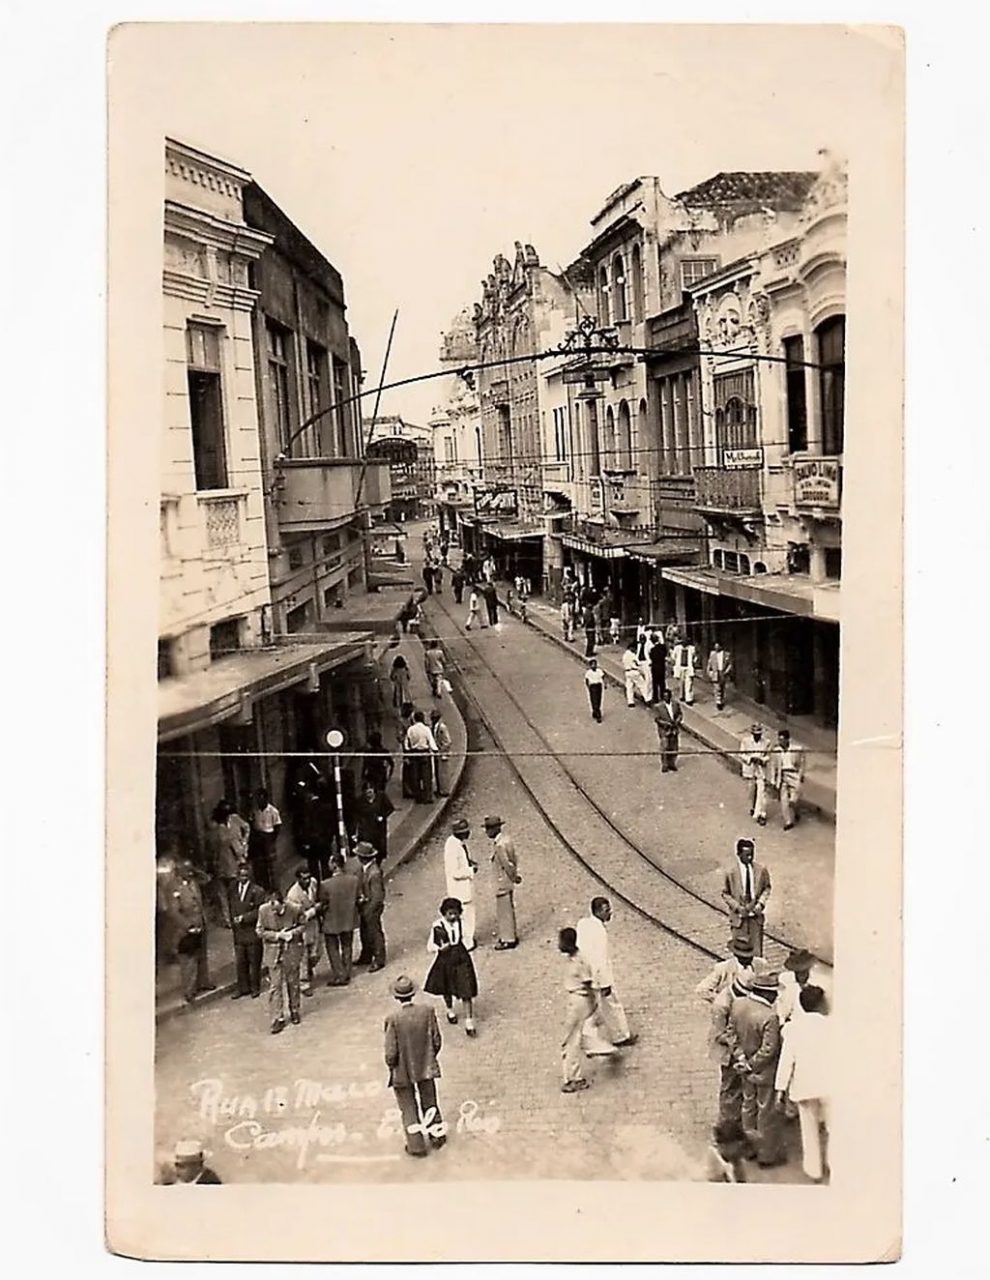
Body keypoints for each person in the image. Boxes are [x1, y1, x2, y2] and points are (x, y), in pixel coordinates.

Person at [728, 969, 785, 1167]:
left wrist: (741, 1059)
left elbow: (731, 1035)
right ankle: (767, 1155)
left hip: (744, 1068)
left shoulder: (738, 1004)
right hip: (763, 1073)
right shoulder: (770, 1016)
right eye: (774, 992)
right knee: (766, 1112)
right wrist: (752, 1065)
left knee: (748, 1107)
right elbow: (769, 1050)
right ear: (766, 993)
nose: (776, 995)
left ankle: (748, 1148)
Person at [384, 974, 445, 1157]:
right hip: (425, 1065)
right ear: (413, 994)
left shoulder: (393, 1019)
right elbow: (436, 1040)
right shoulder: (427, 1011)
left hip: (402, 1069)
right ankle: (437, 1135)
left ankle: (416, 1145)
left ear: (397, 997)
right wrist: (429, 1056)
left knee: (408, 1107)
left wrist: (392, 1065)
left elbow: (390, 1052)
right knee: (430, 1100)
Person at [774, 985, 831, 1181]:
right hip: (829, 1085)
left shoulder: (792, 1029)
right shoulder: (831, 1025)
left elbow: (786, 1061)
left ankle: (814, 1169)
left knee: (809, 1129)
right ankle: (834, 1162)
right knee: (833, 1126)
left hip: (804, 1086)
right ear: (821, 1005)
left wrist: (780, 1090)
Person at [576, 897, 638, 1048]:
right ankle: (620, 1036)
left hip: (584, 974)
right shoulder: (600, 932)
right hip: (597, 976)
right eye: (606, 910)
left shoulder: (583, 924)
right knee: (611, 1005)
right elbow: (600, 959)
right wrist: (605, 983)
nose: (610, 913)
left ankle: (591, 1039)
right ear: (598, 912)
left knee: (591, 1008)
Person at [425, 897, 479, 1036]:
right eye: (450, 914)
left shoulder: (461, 923)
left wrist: (466, 947)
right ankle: (449, 1009)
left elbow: (467, 939)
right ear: (444, 913)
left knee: (466, 987)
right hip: (445, 958)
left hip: (460, 956)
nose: (453, 916)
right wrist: (439, 948)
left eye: (456, 913)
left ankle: (469, 1021)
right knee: (446, 986)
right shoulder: (438, 925)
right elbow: (430, 945)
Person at [706, 973, 754, 1129]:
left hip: (736, 1046)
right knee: (729, 1087)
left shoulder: (737, 997)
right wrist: (739, 1052)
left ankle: (735, 1119)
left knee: (738, 1086)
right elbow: (721, 1034)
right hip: (726, 1051)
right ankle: (725, 1124)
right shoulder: (721, 1005)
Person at [256, 886, 305, 1034]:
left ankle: (294, 1009)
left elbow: (303, 925)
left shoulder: (295, 909)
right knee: (275, 986)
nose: (273, 909)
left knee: (293, 983)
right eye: (271, 905)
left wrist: (291, 933)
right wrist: (277, 936)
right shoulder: (263, 910)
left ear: (282, 903)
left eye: (275, 906)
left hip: (291, 951)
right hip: (273, 953)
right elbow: (259, 931)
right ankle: (277, 1018)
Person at [558, 926, 596, 1094]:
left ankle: (574, 1079)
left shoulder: (580, 961)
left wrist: (594, 1003)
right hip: (576, 1000)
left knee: (571, 1040)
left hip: (578, 1001)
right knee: (574, 1037)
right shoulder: (573, 958)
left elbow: (588, 984)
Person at [172, 860, 215, 1004]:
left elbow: (207, 879)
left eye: (191, 870)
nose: (190, 873)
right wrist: (188, 926)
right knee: (189, 961)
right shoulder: (174, 887)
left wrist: (197, 871)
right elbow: (174, 912)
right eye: (187, 870)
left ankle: (204, 982)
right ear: (179, 871)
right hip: (186, 929)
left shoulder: (193, 881)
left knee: (202, 955)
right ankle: (189, 990)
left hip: (200, 923)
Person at [721, 837, 772, 957]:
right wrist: (738, 907)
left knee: (756, 954)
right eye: (746, 855)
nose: (750, 858)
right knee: (741, 953)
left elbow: (767, 887)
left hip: (755, 919)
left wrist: (761, 904)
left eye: (751, 854)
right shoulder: (731, 872)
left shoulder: (761, 870)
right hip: (739, 920)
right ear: (738, 854)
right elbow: (725, 893)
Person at [318, 854, 361, 986]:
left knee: (332, 948)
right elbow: (358, 897)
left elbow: (323, 903)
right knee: (347, 945)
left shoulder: (325, 885)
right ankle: (346, 971)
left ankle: (339, 974)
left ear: (335, 865)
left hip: (332, 920)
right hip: (348, 918)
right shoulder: (353, 880)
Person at [228, 864, 266, 1000]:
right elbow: (231, 906)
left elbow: (259, 911)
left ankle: (255, 987)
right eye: (240, 875)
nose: (242, 878)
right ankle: (242, 988)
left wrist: (244, 918)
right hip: (239, 932)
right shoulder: (232, 889)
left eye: (245, 876)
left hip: (252, 931)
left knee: (254, 961)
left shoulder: (258, 891)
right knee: (241, 961)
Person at [484, 814, 521, 950]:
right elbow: (514, 858)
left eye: (488, 829)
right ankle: (510, 935)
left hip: (502, 883)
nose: (487, 832)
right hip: (507, 882)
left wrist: (513, 876)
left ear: (495, 829)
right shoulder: (507, 840)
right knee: (508, 909)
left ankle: (508, 939)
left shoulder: (499, 845)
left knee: (504, 912)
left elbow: (506, 864)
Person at [695, 935, 768, 1003]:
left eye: (750, 956)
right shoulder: (723, 968)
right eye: (744, 957)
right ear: (736, 955)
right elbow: (701, 989)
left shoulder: (760, 964)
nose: (748, 959)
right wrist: (722, 1000)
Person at [286, 866, 322, 996]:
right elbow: (298, 916)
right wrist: (314, 910)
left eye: (308, 877)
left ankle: (309, 969)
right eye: (304, 879)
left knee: (317, 952)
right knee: (303, 955)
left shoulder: (314, 883)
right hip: (302, 927)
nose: (307, 881)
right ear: (298, 879)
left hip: (314, 924)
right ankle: (303, 983)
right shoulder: (292, 895)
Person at [443, 818, 477, 949]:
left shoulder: (457, 843)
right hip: (460, 890)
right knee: (466, 918)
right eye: (466, 831)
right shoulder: (453, 846)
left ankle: (467, 940)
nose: (468, 834)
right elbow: (455, 872)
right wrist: (470, 870)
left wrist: (469, 862)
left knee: (466, 917)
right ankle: (467, 943)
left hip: (462, 889)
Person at [355, 841, 387, 972]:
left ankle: (379, 959)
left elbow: (377, 896)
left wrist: (369, 910)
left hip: (372, 908)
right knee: (365, 932)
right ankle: (366, 955)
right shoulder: (366, 869)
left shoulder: (374, 873)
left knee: (374, 932)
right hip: (366, 905)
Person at [768, 729, 806, 830]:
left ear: (788, 739)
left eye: (782, 740)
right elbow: (773, 766)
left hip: (794, 775)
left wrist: (801, 775)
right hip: (782, 775)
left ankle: (797, 811)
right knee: (784, 800)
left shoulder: (797, 749)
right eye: (779, 740)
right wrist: (773, 780)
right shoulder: (776, 751)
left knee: (794, 800)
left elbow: (802, 763)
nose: (781, 742)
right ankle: (788, 821)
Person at [355, 781, 395, 865]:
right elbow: (357, 814)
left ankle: (378, 862)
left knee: (380, 845)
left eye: (371, 791)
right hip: (367, 827)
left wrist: (382, 816)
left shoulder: (381, 797)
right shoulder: (360, 801)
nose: (369, 794)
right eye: (367, 792)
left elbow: (390, 808)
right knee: (369, 845)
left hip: (379, 827)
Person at [776, 948, 817, 1027]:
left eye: (804, 971)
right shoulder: (785, 980)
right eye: (798, 972)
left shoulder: (814, 981)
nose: (801, 975)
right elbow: (782, 1007)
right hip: (793, 1023)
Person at [249, 789, 281, 889]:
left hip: (268, 837)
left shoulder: (273, 811)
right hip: (258, 838)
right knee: (260, 864)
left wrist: (272, 839)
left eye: (262, 799)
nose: (260, 802)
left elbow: (277, 826)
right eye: (258, 799)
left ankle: (275, 887)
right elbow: (251, 823)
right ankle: (265, 885)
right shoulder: (255, 811)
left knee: (271, 864)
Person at [404, 710, 438, 804]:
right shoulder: (426, 729)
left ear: (414, 719)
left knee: (415, 776)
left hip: (414, 754)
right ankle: (427, 797)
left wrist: (408, 751)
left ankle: (418, 797)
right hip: (424, 754)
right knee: (426, 776)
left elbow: (406, 744)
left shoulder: (410, 729)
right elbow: (431, 742)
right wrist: (435, 750)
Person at [740, 723, 770, 825]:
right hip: (750, 769)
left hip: (761, 770)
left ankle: (762, 814)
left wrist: (762, 760)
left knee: (762, 792)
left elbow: (768, 756)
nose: (757, 736)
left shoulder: (767, 742)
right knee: (751, 791)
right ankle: (754, 807)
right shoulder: (745, 741)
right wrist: (750, 759)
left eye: (759, 734)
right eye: (755, 734)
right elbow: (742, 754)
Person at [654, 687, 683, 772]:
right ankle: (665, 765)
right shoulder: (658, 707)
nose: (666, 698)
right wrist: (666, 724)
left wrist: (677, 721)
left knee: (674, 747)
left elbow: (680, 714)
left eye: (668, 696)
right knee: (665, 747)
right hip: (664, 730)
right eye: (665, 696)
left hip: (674, 729)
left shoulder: (675, 704)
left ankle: (672, 763)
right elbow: (657, 719)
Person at [361, 731, 394, 797]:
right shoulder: (384, 751)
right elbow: (392, 764)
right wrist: (389, 775)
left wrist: (363, 775)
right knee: (380, 793)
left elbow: (365, 765)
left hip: (371, 775)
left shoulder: (368, 752)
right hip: (380, 775)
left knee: (372, 792)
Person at [430, 709, 453, 797]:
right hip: (437, 753)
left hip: (442, 754)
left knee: (443, 772)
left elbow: (448, 741)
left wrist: (442, 750)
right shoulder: (435, 726)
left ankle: (444, 790)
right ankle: (440, 789)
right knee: (438, 772)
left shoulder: (442, 727)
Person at [707, 641, 734, 711]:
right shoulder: (712, 654)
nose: (716, 648)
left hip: (723, 672)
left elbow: (730, 664)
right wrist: (710, 672)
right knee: (717, 688)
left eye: (717, 646)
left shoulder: (727, 654)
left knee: (722, 687)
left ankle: (721, 699)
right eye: (715, 647)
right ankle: (718, 702)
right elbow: (709, 663)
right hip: (716, 672)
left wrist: (726, 671)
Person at [671, 635, 698, 705]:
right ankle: (682, 695)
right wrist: (674, 664)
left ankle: (689, 699)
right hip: (680, 667)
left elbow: (695, 657)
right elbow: (673, 657)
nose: (684, 643)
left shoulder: (692, 648)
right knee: (681, 682)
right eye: (683, 642)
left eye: (686, 642)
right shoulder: (677, 648)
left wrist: (693, 663)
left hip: (688, 668)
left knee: (689, 683)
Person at [622, 641, 647, 708]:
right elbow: (638, 663)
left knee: (629, 687)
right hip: (634, 672)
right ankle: (647, 699)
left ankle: (630, 702)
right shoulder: (632, 655)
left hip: (627, 672)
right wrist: (642, 671)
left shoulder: (624, 655)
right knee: (642, 685)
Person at [646, 630, 667, 705]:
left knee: (655, 683)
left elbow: (651, 657)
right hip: (662, 667)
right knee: (662, 682)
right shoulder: (663, 647)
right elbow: (664, 655)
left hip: (655, 668)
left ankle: (656, 698)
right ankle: (663, 696)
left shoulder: (653, 650)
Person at [585, 657, 605, 722]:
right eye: (592, 664)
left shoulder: (599, 671)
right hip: (593, 686)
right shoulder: (588, 672)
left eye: (595, 664)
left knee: (599, 699)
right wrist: (589, 687)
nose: (594, 666)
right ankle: (598, 715)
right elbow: (587, 680)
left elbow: (603, 677)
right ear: (590, 666)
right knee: (594, 700)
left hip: (599, 685)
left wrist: (605, 684)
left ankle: (595, 712)